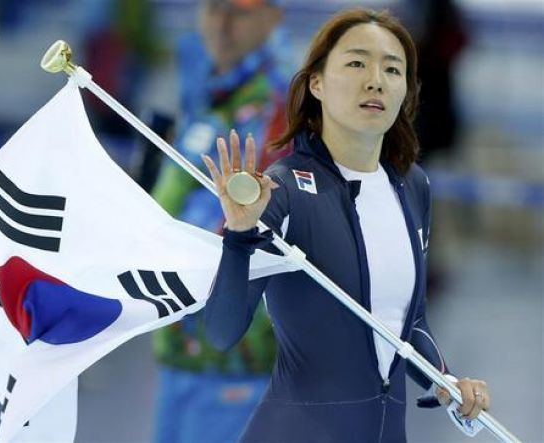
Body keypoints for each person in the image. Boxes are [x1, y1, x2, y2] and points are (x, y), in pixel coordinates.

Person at [202, 8, 491, 442]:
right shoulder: (283, 190)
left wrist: (446, 381)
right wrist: (240, 236)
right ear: (316, 82)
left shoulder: (413, 187)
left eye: (392, 69)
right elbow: (221, 334)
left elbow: (407, 325)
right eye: (356, 62)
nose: (375, 79)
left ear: (405, 91)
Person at [149, 1, 291, 442]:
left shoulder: (281, 107)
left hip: (238, 350)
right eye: (214, 9)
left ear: (272, 18)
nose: (223, 25)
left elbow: (271, 228)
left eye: (239, 12)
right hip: (179, 340)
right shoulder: (206, 91)